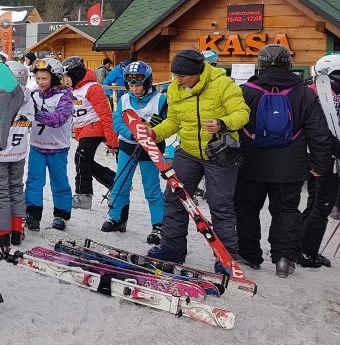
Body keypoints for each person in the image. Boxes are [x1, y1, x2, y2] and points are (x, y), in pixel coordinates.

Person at [146, 49, 250, 269]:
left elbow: (242, 114)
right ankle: (172, 248)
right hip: (189, 152)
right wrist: (155, 133)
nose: (178, 80)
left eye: (182, 75)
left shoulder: (223, 85)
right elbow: (174, 121)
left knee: (220, 204)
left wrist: (223, 123)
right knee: (175, 198)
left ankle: (226, 255)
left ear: (198, 72)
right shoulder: (175, 89)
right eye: (175, 75)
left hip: (220, 153)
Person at [234, 45, 333, 277]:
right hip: (290, 165)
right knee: (287, 210)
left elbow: (232, 125)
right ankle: (284, 259)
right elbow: (319, 132)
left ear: (261, 63)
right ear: (289, 64)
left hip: (251, 163)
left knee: (247, 208)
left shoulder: (245, 91)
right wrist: (320, 165)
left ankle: (249, 254)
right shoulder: (305, 93)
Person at [103, 61, 166, 245]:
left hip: (150, 149)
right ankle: (117, 218)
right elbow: (117, 122)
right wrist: (131, 133)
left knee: (151, 188)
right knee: (121, 183)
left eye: (138, 84)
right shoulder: (124, 100)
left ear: (147, 82)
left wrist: (156, 127)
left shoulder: (160, 100)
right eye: (131, 85)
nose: (134, 89)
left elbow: (170, 121)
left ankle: (159, 225)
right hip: (128, 146)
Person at [299, 54, 340, 267]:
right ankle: (307, 253)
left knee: (313, 203)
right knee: (321, 208)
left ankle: (300, 247)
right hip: (324, 158)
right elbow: (326, 133)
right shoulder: (327, 96)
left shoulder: (308, 91)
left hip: (309, 156)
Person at [0, 60, 35, 251]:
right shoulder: (29, 98)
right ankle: (17, 230)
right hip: (18, 152)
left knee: (0, 191)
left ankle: (2, 232)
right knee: (16, 188)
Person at [24, 58, 74, 231]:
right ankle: (33, 214)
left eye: (44, 78)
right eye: (38, 78)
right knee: (34, 181)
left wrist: (37, 113)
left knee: (59, 181)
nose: (40, 82)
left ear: (55, 77)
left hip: (57, 148)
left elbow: (58, 119)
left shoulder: (64, 96)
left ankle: (61, 214)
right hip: (37, 146)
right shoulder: (34, 94)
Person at [63, 56, 117, 210]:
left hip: (95, 127)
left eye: (68, 76)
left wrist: (112, 141)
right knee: (84, 161)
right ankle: (115, 182)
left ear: (76, 74)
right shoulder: (72, 89)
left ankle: (83, 195)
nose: (66, 80)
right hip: (83, 130)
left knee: (80, 158)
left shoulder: (93, 87)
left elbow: (106, 114)